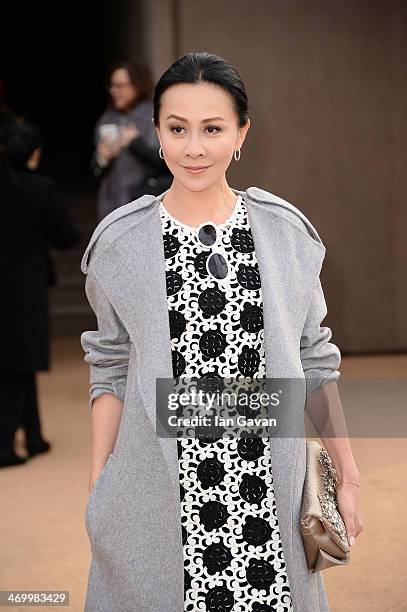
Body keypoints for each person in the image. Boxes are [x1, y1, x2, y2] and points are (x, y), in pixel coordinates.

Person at [80, 52, 363, 611]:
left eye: (212, 129)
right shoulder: (119, 243)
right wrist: (100, 486)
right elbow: (109, 365)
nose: (193, 148)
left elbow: (315, 361)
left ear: (241, 134)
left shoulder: (286, 234)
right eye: (176, 129)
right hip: (159, 492)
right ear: (156, 133)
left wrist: (346, 479)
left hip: (268, 496)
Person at [0, 121, 81, 468]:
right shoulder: (40, 189)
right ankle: (5, 446)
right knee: (20, 363)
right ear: (34, 155)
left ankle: (34, 435)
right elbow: (67, 236)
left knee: (19, 360)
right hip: (24, 284)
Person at [91, 59, 172, 221]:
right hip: (111, 207)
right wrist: (101, 158)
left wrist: (135, 143)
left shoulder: (156, 116)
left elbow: (168, 162)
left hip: (144, 205)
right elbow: (96, 171)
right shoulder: (108, 118)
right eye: (112, 85)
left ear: (138, 84)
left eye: (120, 86)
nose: (114, 91)